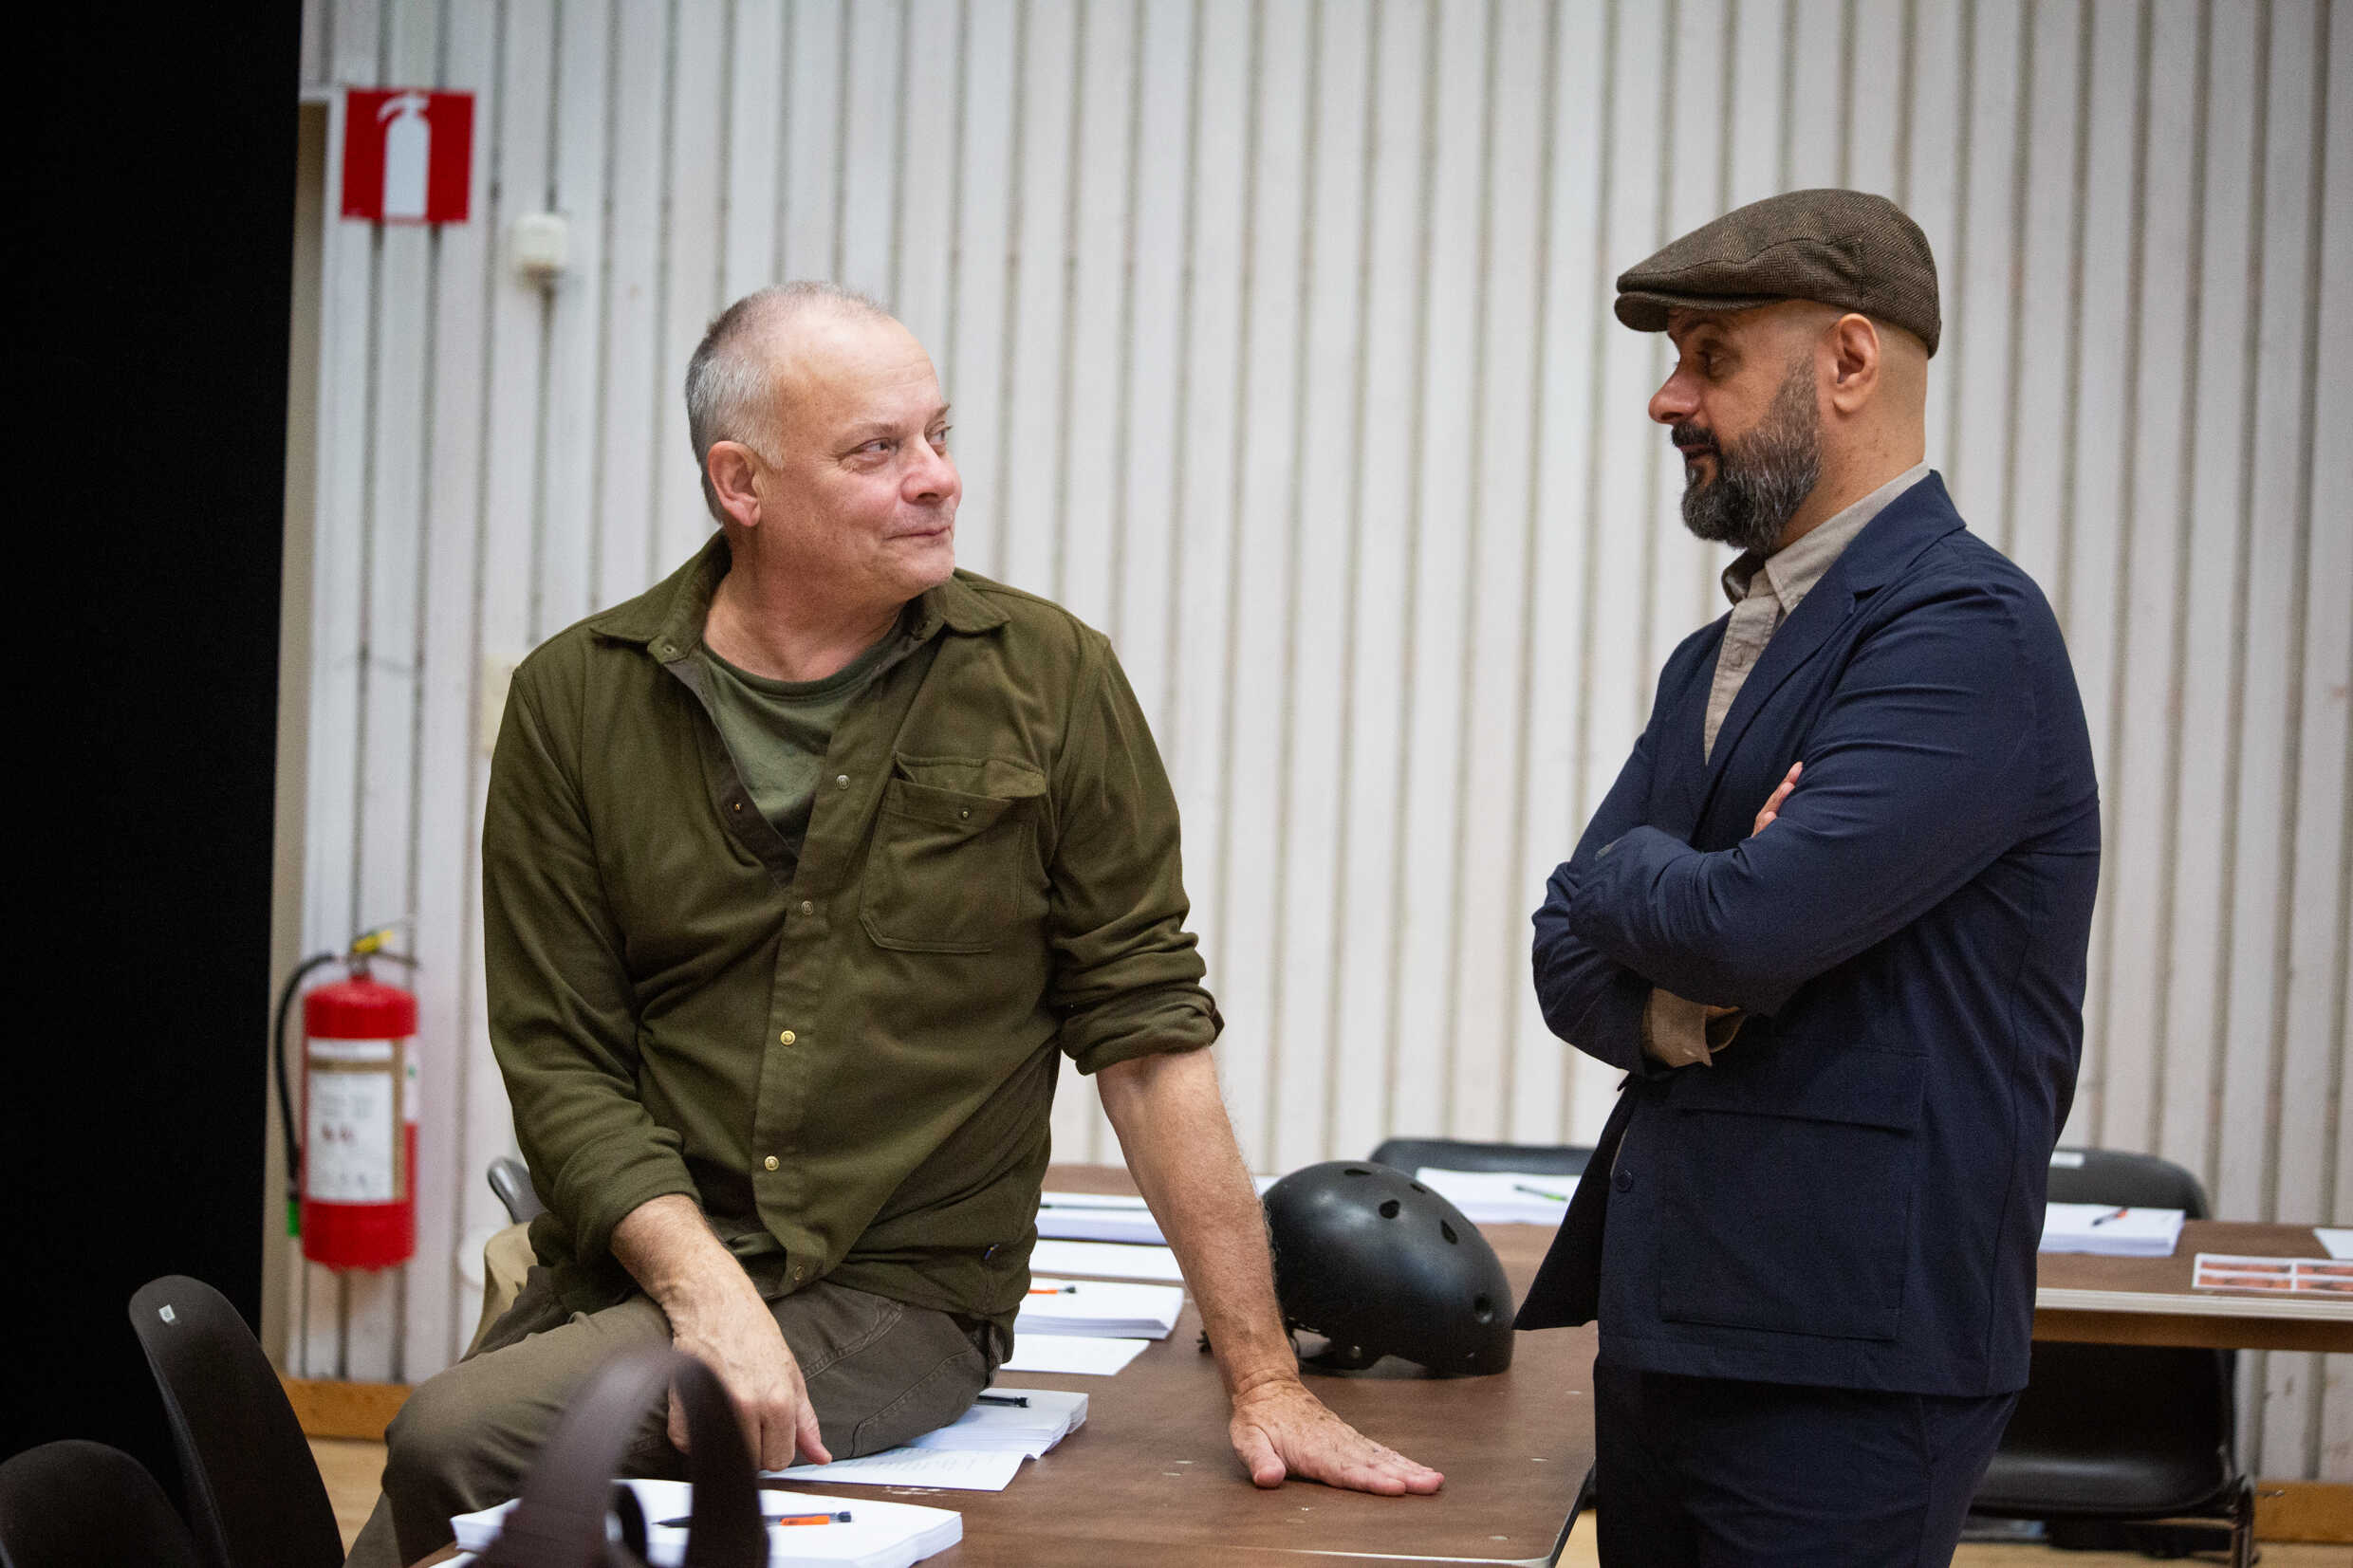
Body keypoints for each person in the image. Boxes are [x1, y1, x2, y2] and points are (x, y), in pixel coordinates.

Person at [346, 282, 1440, 1567]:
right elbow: (563, 1061)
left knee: (447, 1439)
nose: (939, 480)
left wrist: (1266, 1377)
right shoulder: (576, 703)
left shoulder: (1049, 680)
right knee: (455, 1470)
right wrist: (709, 1296)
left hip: (898, 1295)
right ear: (740, 483)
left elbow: (1147, 1041)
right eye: (879, 451)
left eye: (940, 433)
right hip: (649, 1266)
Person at [1517, 190, 2099, 1564]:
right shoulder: (1722, 651)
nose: (1669, 399)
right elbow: (1563, 938)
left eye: (1710, 357)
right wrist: (1687, 990)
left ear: (1848, 362)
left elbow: (1750, 920)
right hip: (1676, 1321)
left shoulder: (1968, 633)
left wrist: (1657, 881)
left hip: (1849, 1355)